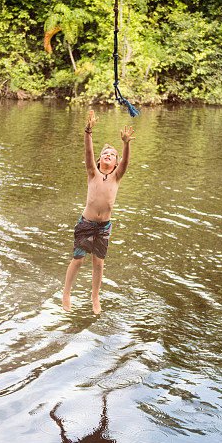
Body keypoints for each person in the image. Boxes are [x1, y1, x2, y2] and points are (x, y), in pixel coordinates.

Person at [62, 110, 135, 314]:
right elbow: (88, 153)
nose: (107, 156)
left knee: (99, 263)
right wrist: (89, 130)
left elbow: (126, 162)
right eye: (105, 154)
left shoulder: (117, 176)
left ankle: (95, 296)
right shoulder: (92, 173)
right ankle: (66, 293)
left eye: (112, 155)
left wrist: (126, 143)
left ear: (116, 162)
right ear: (100, 159)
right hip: (86, 223)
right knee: (78, 259)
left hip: (103, 227)